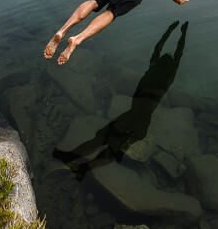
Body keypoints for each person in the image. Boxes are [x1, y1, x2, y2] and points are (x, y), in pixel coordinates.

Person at [54, 20, 188, 176]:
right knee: (110, 148)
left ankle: (73, 159)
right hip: (141, 123)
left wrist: (170, 31)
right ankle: (83, 168)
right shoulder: (167, 79)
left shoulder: (153, 69)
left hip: (133, 118)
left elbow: (159, 47)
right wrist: (182, 33)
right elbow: (178, 53)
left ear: (157, 63)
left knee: (102, 139)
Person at [44, 0, 189, 65]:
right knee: (111, 12)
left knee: (95, 1)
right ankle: (76, 39)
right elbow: (179, 1)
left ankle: (62, 31)